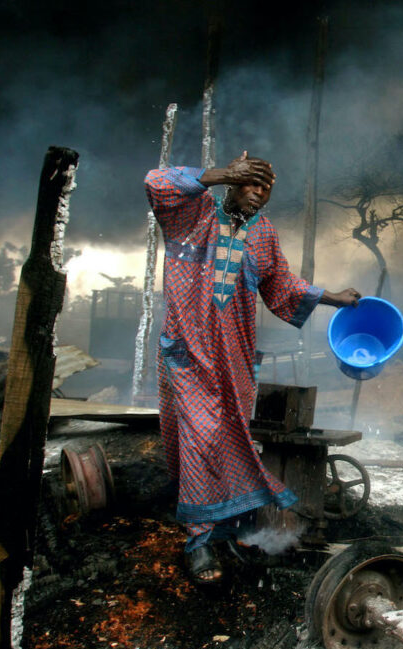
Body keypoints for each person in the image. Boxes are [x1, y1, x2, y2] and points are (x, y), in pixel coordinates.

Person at [145, 152, 361, 583]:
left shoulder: (263, 234)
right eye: (251, 182)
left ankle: (226, 530)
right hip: (188, 352)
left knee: (230, 437)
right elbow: (156, 182)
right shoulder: (193, 212)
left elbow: (281, 285)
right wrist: (222, 173)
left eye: (266, 188)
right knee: (201, 437)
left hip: (235, 357)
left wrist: (333, 298)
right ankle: (199, 542)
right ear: (234, 181)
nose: (259, 194)